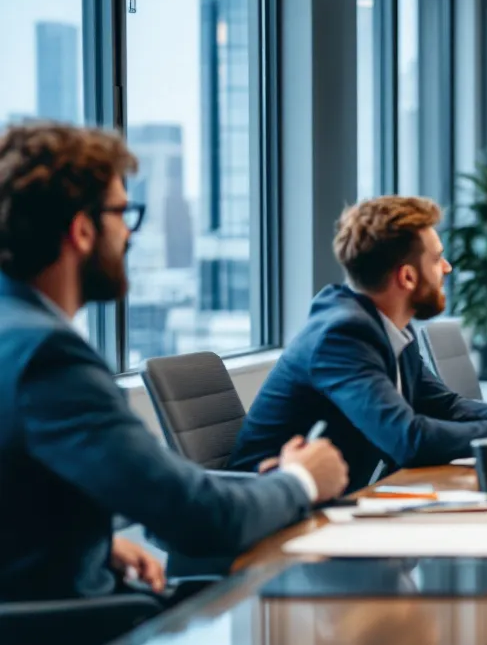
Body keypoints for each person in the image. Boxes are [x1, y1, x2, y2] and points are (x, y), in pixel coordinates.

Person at [0, 123, 349, 601]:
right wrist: (303, 479)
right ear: (82, 230)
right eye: (123, 213)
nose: (128, 234)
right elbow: (203, 519)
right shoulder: (49, 357)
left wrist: (95, 547)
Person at [229, 196, 487, 489]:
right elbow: (408, 439)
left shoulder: (389, 324)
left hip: (341, 507)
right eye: (436, 258)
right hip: (268, 526)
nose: (447, 268)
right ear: (408, 276)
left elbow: (443, 406)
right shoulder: (342, 335)